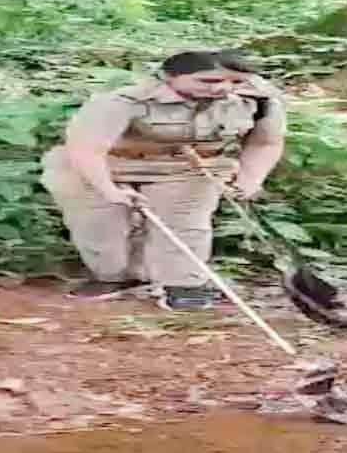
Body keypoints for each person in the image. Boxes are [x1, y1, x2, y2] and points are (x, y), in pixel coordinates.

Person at [40, 49, 287, 310]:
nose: (223, 88)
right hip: (105, 164)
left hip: (187, 165)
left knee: (186, 223)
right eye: (209, 81)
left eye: (236, 82)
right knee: (99, 225)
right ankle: (116, 277)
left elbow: (265, 144)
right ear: (170, 77)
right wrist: (109, 189)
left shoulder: (259, 101)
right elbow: (87, 149)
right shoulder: (122, 101)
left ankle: (183, 284)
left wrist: (250, 179)